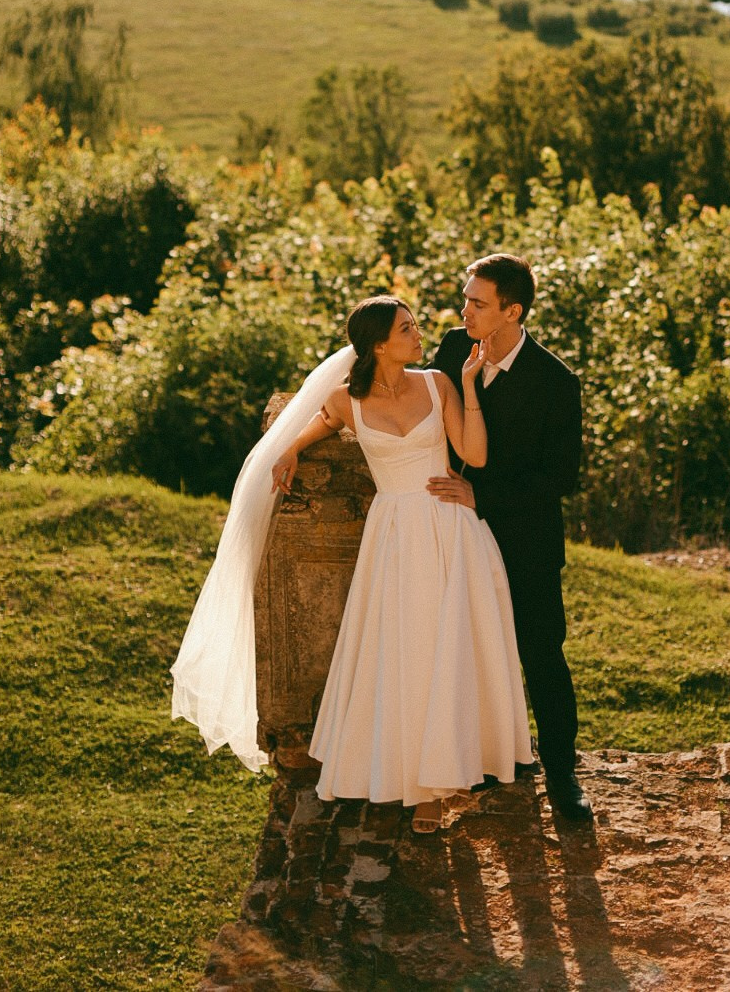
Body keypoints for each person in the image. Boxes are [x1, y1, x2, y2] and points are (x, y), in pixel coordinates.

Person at [172, 294, 533, 835]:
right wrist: (291, 450)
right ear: (379, 345)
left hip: (448, 529)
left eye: (414, 326)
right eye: (406, 329)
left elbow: (475, 456)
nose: (418, 334)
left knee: (449, 650)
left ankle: (447, 779)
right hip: (392, 539)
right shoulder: (347, 400)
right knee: (405, 655)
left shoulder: (437, 382)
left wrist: (470, 389)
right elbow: (314, 424)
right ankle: (415, 784)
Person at [429, 253, 592, 821]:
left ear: (512, 311)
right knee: (462, 644)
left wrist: (484, 496)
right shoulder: (453, 350)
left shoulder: (556, 381)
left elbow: (560, 478)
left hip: (527, 537)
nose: (464, 310)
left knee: (542, 651)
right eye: (466, 299)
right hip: (453, 529)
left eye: (477, 303)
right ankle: (484, 758)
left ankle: (563, 772)